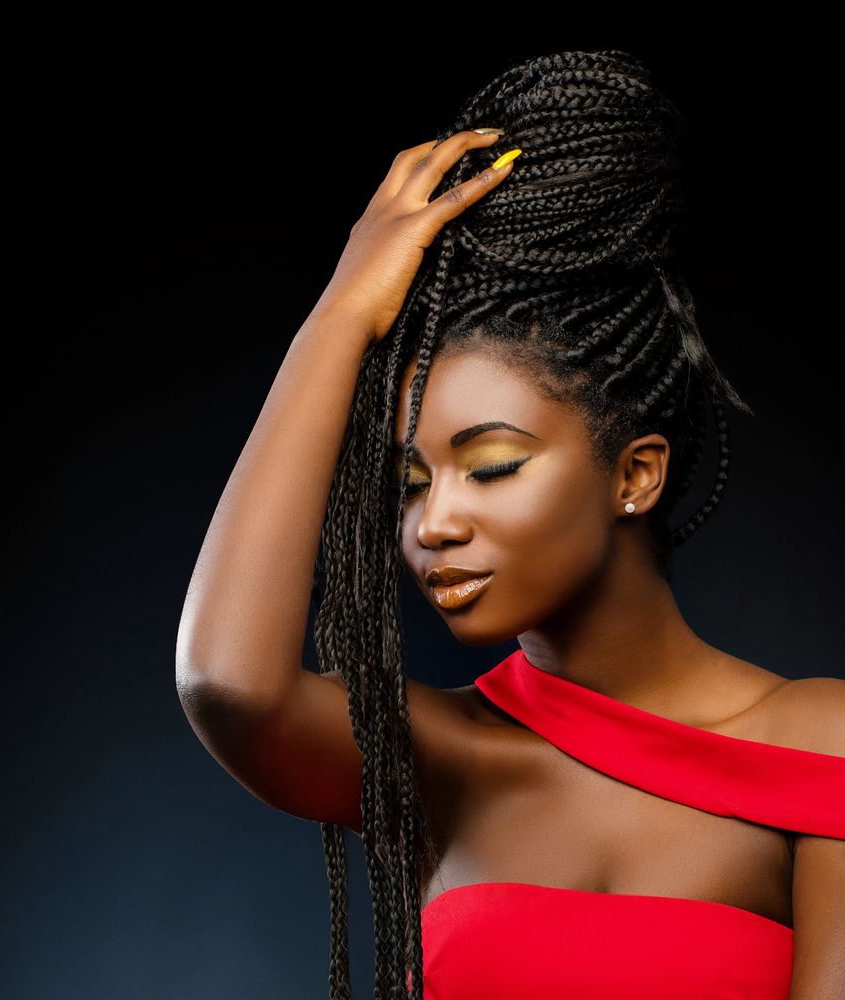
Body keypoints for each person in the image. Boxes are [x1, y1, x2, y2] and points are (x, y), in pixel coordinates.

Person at [175, 49, 845, 999]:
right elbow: (231, 686)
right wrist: (342, 314)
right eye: (409, 482)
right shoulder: (446, 758)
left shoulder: (822, 743)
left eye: (491, 467)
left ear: (636, 474)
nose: (433, 524)